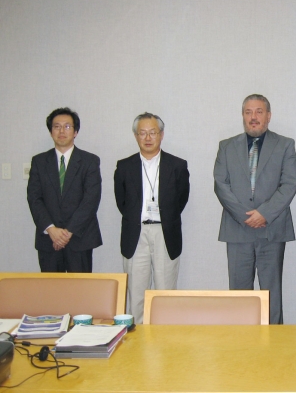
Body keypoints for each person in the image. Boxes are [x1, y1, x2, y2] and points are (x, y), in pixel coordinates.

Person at [214, 94, 296, 324]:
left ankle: (274, 346)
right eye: (248, 112)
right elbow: (221, 185)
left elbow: (289, 185)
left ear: (268, 116)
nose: (253, 117)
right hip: (237, 230)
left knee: (272, 294)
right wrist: (245, 217)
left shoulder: (285, 145)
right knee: (240, 294)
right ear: (243, 115)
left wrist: (265, 214)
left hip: (272, 229)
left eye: (259, 112)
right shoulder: (226, 146)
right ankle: (242, 347)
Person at [114, 112, 189, 324]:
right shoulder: (124, 166)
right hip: (135, 233)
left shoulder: (177, 165)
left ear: (161, 135)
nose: (148, 138)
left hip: (165, 232)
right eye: (142, 133)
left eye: (152, 132)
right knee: (136, 292)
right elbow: (122, 203)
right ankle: (136, 342)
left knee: (165, 292)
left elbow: (181, 200)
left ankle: (165, 341)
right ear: (136, 136)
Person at [27, 107, 102, 272]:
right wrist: (51, 229)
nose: (62, 131)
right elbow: (34, 198)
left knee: (80, 293)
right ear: (50, 131)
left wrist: (68, 232)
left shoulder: (90, 161)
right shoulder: (39, 162)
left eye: (67, 126)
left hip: (80, 239)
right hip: (49, 239)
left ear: (75, 132)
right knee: (51, 293)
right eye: (57, 126)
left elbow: (91, 200)